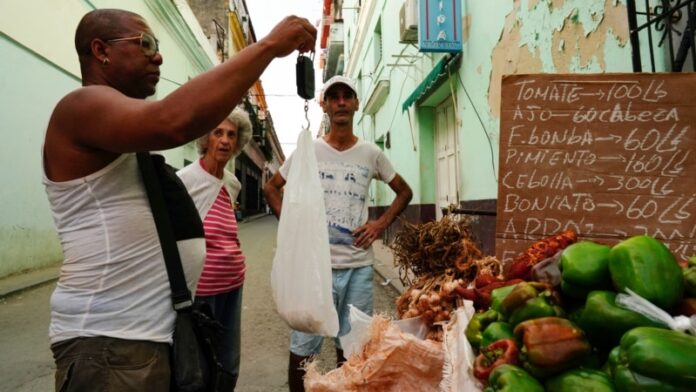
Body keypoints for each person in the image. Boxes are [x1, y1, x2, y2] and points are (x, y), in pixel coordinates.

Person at [42, 8, 315, 392]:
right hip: (108, 346)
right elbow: (174, 121)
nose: (158, 56)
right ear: (101, 50)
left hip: (143, 340)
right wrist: (268, 47)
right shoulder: (80, 107)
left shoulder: (120, 132)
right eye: (146, 45)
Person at [263, 75, 413, 392]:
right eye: (335, 97)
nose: (341, 102)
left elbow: (404, 191)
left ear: (356, 104)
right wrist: (294, 230)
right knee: (303, 348)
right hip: (315, 270)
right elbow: (272, 188)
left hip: (358, 268)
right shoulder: (309, 150)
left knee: (353, 350)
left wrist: (379, 224)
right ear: (326, 106)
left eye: (347, 96)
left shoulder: (371, 153)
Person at [176, 107, 252, 389]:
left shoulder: (232, 183)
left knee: (229, 360)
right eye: (218, 133)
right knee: (197, 367)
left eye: (231, 135)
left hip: (233, 285)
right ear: (205, 139)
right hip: (201, 293)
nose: (224, 140)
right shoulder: (185, 180)